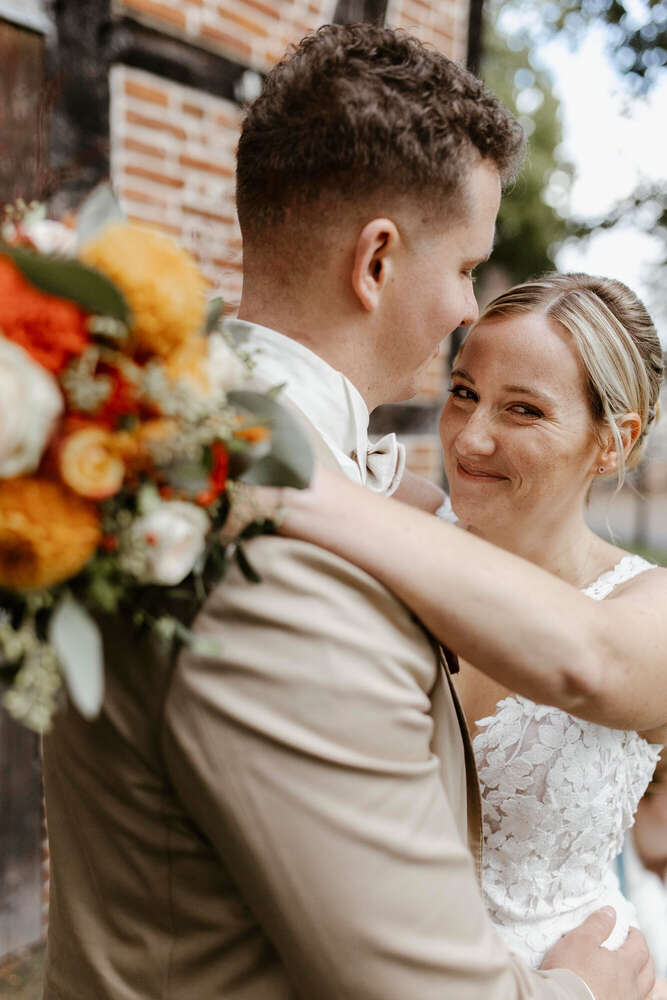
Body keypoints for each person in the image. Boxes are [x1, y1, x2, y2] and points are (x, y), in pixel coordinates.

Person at [42, 24, 654, 1000]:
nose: (466, 311)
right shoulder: (266, 534)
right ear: (376, 261)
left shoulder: (185, 442)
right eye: (465, 268)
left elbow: (598, 662)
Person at [241, 271, 667, 991]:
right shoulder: (394, 524)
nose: (468, 438)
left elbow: (589, 664)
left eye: (522, 410)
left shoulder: (647, 607)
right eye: (463, 392)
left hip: (576, 975)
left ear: (613, 441)